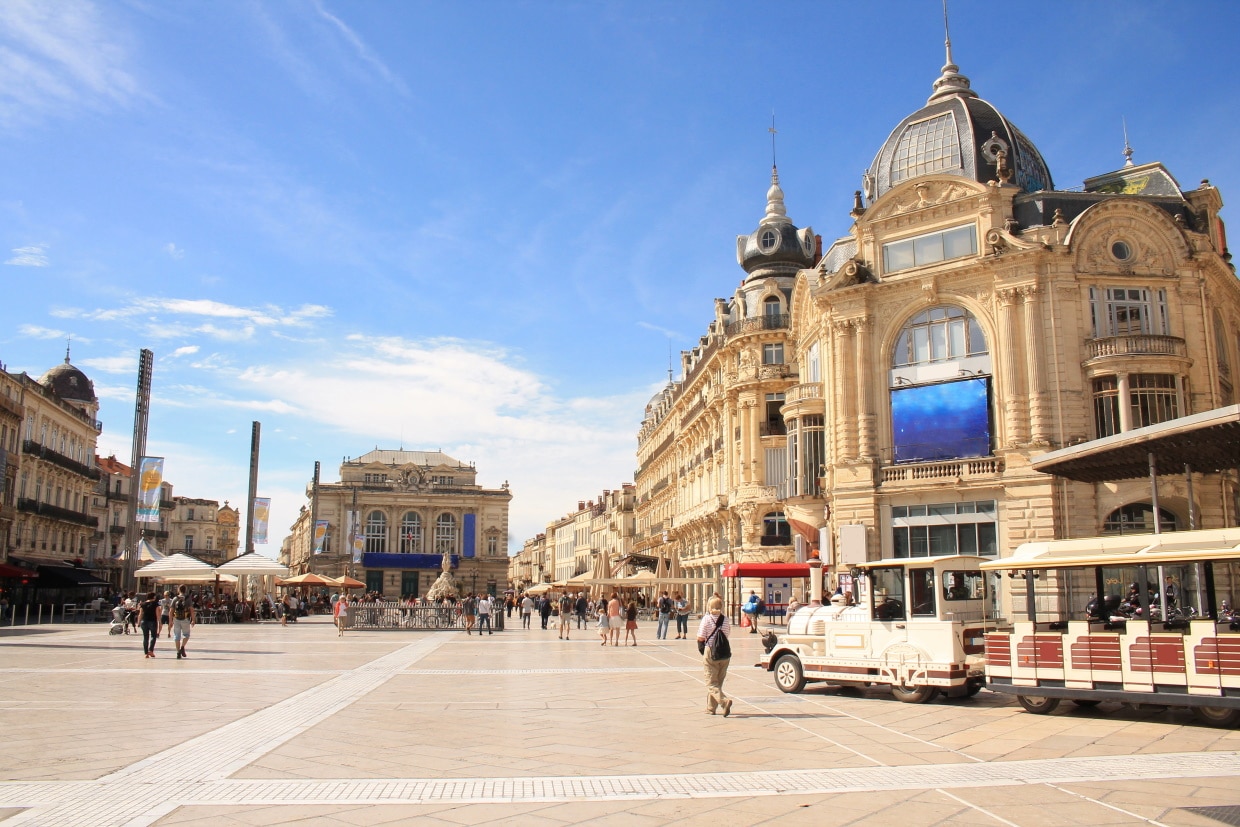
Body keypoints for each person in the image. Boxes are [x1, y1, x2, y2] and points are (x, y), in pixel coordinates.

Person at [696, 595, 733, 716]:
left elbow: (700, 637)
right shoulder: (726, 619)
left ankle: (724, 701)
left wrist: (703, 651)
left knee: (711, 682)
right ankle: (711, 708)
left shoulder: (707, 619)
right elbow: (727, 634)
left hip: (711, 651)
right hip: (725, 653)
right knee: (718, 682)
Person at [170, 585, 195, 659]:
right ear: (185, 590)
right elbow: (191, 610)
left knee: (177, 636)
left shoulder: (175, 598)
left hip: (176, 619)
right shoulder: (188, 599)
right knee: (186, 635)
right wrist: (193, 620)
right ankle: (182, 647)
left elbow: (171, 610)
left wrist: (170, 621)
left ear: (179, 590)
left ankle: (178, 652)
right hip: (185, 619)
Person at [138, 591, 161, 658]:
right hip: (153, 621)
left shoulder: (143, 604)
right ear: (153, 597)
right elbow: (158, 614)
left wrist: (139, 622)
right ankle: (151, 650)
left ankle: (146, 653)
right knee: (153, 636)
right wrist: (160, 622)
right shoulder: (155, 604)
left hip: (144, 622)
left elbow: (140, 614)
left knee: (145, 637)